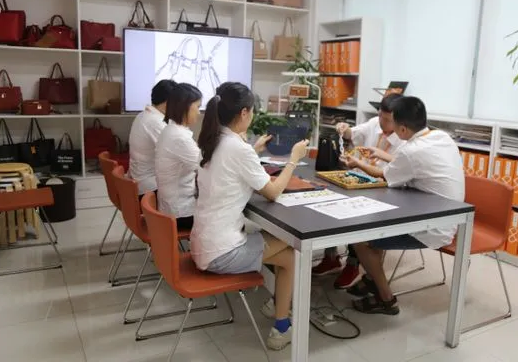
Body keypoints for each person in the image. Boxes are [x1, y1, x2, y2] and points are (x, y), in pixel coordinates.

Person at [192, 82, 309, 351]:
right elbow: (273, 192)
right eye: (253, 111)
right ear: (244, 112)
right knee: (293, 249)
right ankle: (280, 326)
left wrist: (252, 150)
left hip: (205, 244)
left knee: (285, 255)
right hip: (221, 253)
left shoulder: (213, 140)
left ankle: (278, 308)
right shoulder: (237, 148)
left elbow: (232, 168)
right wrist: (293, 159)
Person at [340, 96, 465, 315]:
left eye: (394, 125)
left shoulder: (410, 151)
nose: (390, 129)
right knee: (375, 226)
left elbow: (384, 175)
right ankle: (372, 279)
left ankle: (386, 299)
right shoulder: (441, 136)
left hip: (431, 228)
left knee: (361, 239)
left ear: (403, 129)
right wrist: (383, 155)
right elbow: (413, 166)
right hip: (447, 217)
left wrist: (357, 162)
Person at [312, 94, 405, 289]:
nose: (383, 122)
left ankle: (353, 265)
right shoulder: (374, 124)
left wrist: (362, 163)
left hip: (384, 187)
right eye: (381, 117)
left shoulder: (404, 138)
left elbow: (396, 170)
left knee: (358, 217)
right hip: (358, 180)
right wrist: (344, 129)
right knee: (329, 206)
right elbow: (352, 134)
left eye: (388, 120)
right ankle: (331, 257)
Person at [155, 83, 202, 231]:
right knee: (226, 216)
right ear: (185, 106)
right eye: (197, 107)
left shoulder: (170, 130)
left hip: (170, 208)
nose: (199, 112)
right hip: (180, 214)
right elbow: (206, 167)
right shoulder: (179, 137)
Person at [129, 80, 176, 197]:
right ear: (167, 103)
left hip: (138, 180)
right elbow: (177, 154)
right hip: (149, 188)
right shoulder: (156, 122)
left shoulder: (142, 115)